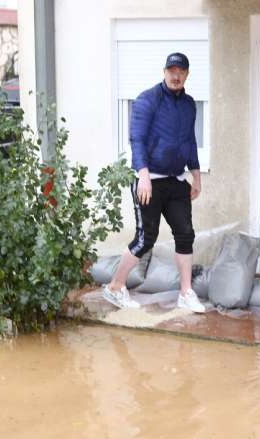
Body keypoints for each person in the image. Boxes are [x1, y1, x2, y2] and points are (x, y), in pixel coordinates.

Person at [102, 52, 205, 313]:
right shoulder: (147, 99)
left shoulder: (189, 104)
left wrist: (196, 175)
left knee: (185, 234)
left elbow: (190, 141)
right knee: (146, 237)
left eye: (181, 71)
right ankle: (115, 286)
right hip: (149, 180)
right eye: (172, 71)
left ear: (187, 74)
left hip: (176, 179)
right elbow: (136, 139)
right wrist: (143, 176)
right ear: (164, 72)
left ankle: (186, 293)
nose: (176, 76)